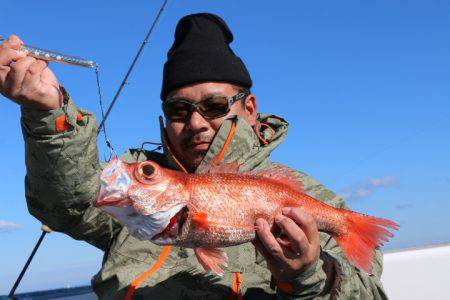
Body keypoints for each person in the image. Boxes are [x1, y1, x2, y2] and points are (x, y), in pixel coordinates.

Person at [0, 13, 388, 299]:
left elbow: (371, 294)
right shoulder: (134, 199)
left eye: (216, 106)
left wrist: (308, 274)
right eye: (179, 111)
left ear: (249, 109)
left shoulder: (307, 193)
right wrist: (48, 114)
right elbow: (65, 204)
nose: (198, 123)